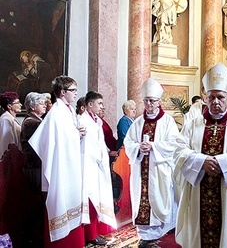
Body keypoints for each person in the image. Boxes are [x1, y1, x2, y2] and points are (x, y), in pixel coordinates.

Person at [173, 63, 227, 247]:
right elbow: (179, 150)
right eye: (211, 97)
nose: (215, 101)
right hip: (199, 188)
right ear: (205, 97)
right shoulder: (194, 123)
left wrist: (221, 162)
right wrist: (201, 161)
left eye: (220, 97)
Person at [28, 75, 88, 247]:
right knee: (62, 202)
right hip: (61, 169)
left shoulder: (68, 110)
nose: (76, 93)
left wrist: (79, 132)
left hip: (71, 167)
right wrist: (76, 134)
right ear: (62, 92)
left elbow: (69, 134)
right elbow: (56, 140)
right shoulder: (56, 112)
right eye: (73, 90)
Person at [124, 78, 179, 248]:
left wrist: (154, 146)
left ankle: (162, 229)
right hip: (141, 169)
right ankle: (145, 234)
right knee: (142, 199)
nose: (149, 104)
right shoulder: (138, 122)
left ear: (159, 102)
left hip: (159, 169)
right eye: (146, 101)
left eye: (152, 101)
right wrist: (139, 148)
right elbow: (128, 142)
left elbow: (174, 143)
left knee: (161, 198)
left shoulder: (168, 121)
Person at [78, 91, 117, 245]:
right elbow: (86, 146)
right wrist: (99, 158)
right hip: (88, 166)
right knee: (91, 198)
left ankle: (96, 232)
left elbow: (100, 144)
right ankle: (91, 234)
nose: (102, 106)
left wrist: (105, 154)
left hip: (97, 165)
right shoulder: (83, 121)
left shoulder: (96, 121)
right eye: (99, 103)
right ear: (90, 104)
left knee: (98, 198)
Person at [19, 92, 47, 247]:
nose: (44, 105)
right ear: (32, 106)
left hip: (38, 165)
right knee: (38, 201)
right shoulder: (31, 123)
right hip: (34, 167)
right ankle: (36, 237)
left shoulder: (38, 120)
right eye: (41, 103)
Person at [0, 91, 22, 156]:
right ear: (9, 106)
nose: (21, 105)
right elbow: (6, 144)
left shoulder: (11, 117)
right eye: (18, 103)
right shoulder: (6, 119)